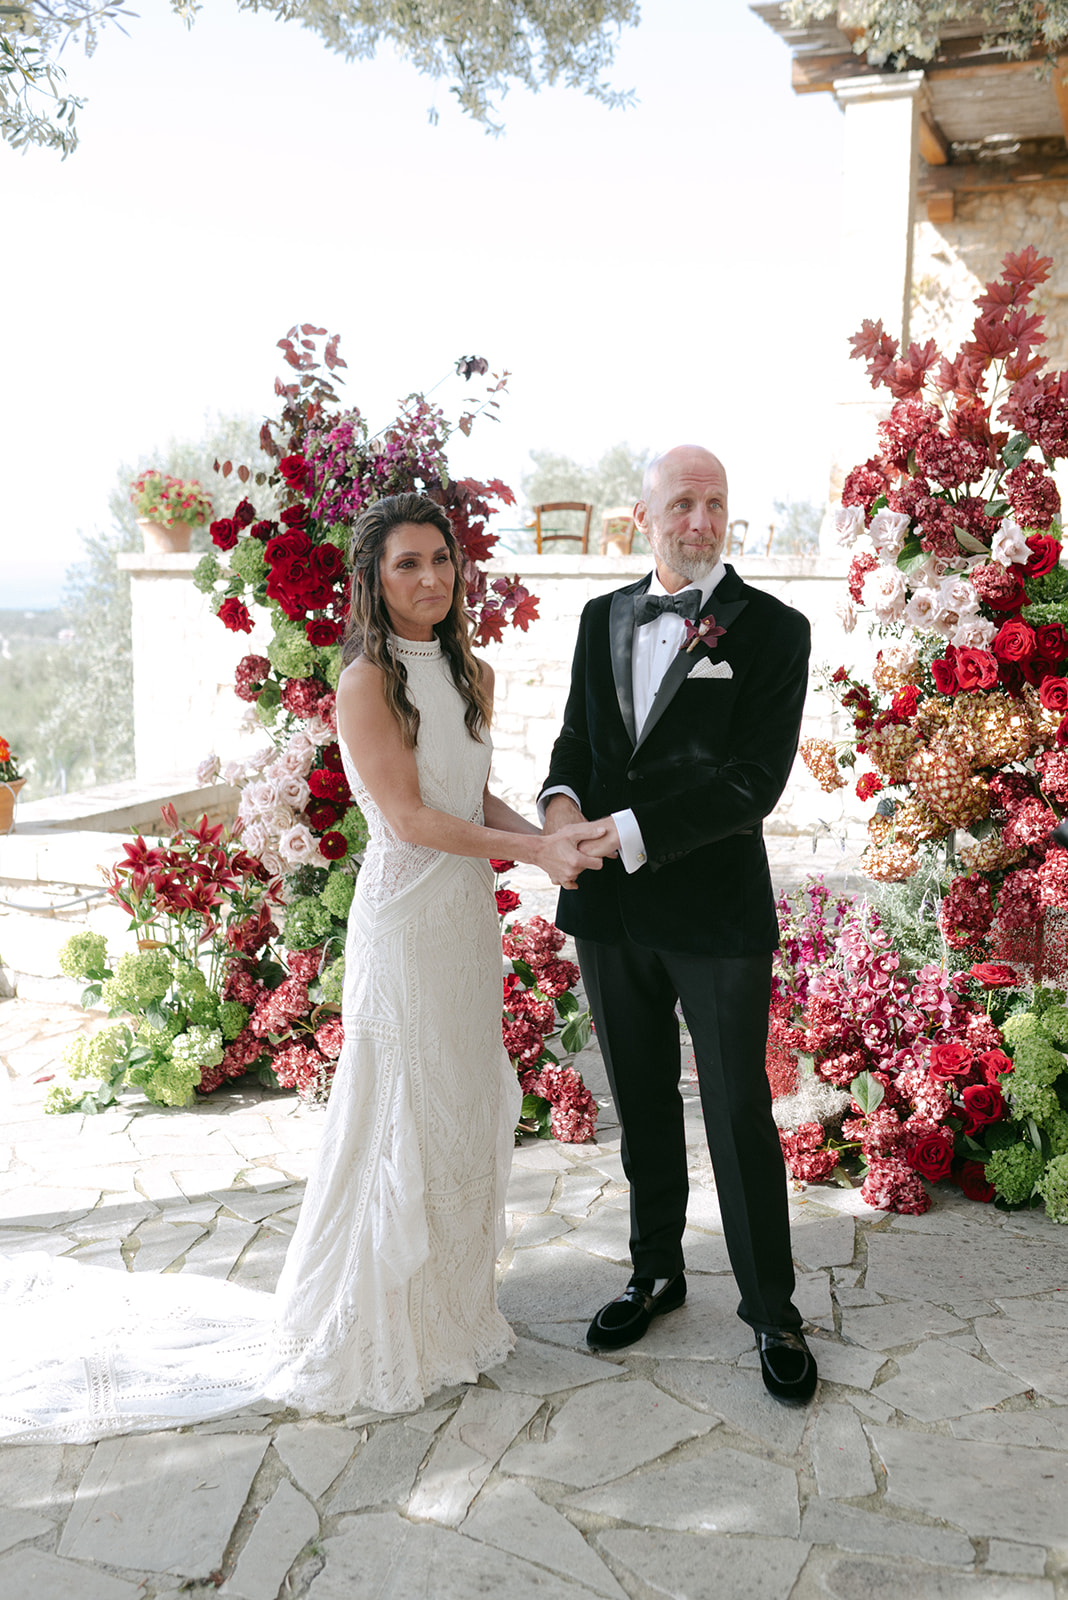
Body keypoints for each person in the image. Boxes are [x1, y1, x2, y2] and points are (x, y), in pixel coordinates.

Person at [0, 493, 604, 1442]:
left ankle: (447, 1311)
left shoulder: (471, 672)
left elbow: (468, 793)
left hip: (461, 924)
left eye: (441, 558)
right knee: (399, 1107)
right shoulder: (364, 682)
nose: (432, 578)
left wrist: (549, 842)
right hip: (404, 923)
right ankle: (376, 1324)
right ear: (374, 580)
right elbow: (408, 818)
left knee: (459, 1102)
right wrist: (532, 853)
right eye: (408, 564)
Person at [539, 445, 818, 1403]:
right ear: (643, 516)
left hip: (714, 914)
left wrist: (622, 833)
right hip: (608, 911)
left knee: (738, 1113)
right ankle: (654, 1272)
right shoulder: (598, 618)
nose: (700, 521)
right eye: (683, 503)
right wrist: (560, 812)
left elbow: (752, 785)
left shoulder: (774, 630)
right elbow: (577, 740)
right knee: (642, 1100)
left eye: (715, 503)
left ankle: (772, 1312)